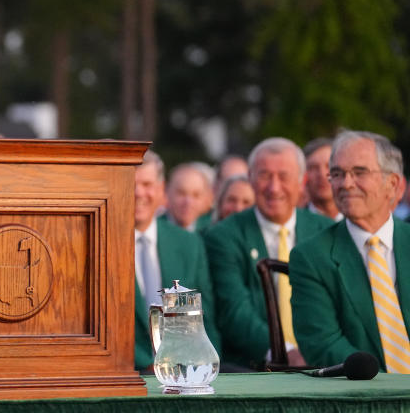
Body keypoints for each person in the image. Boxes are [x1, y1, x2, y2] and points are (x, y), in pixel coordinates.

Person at [204, 137, 332, 369]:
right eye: (264, 176)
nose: (274, 188)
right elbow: (234, 311)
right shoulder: (223, 236)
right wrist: (286, 352)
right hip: (254, 368)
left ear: (301, 181)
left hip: (322, 361)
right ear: (251, 179)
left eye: (284, 176)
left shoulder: (325, 231)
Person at [290, 131, 410, 372]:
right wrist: (388, 385)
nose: (346, 183)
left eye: (359, 172)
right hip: (364, 397)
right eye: (337, 174)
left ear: (393, 184)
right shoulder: (311, 257)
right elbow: (322, 343)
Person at [133, 151, 219, 370]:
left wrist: (207, 365)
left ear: (162, 190)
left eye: (146, 184)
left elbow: (204, 319)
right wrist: (147, 365)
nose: (138, 192)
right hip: (123, 375)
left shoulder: (189, 244)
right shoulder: (99, 243)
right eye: (130, 183)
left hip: (183, 373)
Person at [161, 163, 213, 233]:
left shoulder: (210, 232)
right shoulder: (153, 230)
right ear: (167, 192)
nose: (188, 202)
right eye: (181, 193)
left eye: (196, 195)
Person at [303, 137, 342, 221]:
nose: (322, 175)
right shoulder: (294, 224)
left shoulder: (359, 220)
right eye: (313, 168)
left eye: (329, 166)